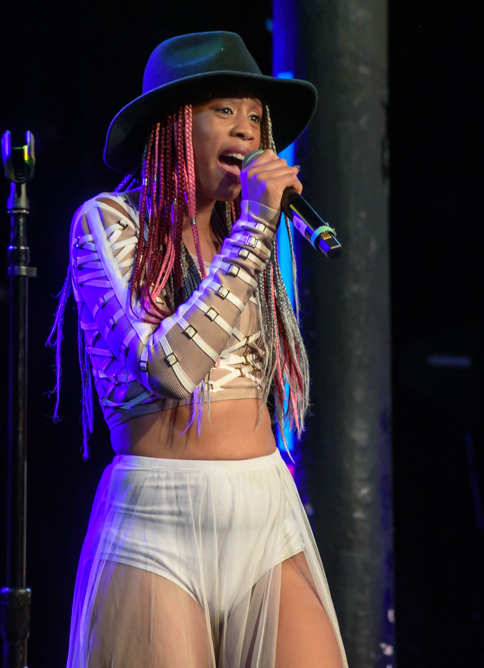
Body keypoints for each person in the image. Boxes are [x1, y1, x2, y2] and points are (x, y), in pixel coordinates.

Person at [49, 31, 347, 667]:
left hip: (264, 507)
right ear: (174, 126)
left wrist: (252, 230)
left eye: (256, 117)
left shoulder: (244, 235)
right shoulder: (109, 221)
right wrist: (257, 227)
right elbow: (165, 368)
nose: (247, 129)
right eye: (225, 110)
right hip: (160, 520)